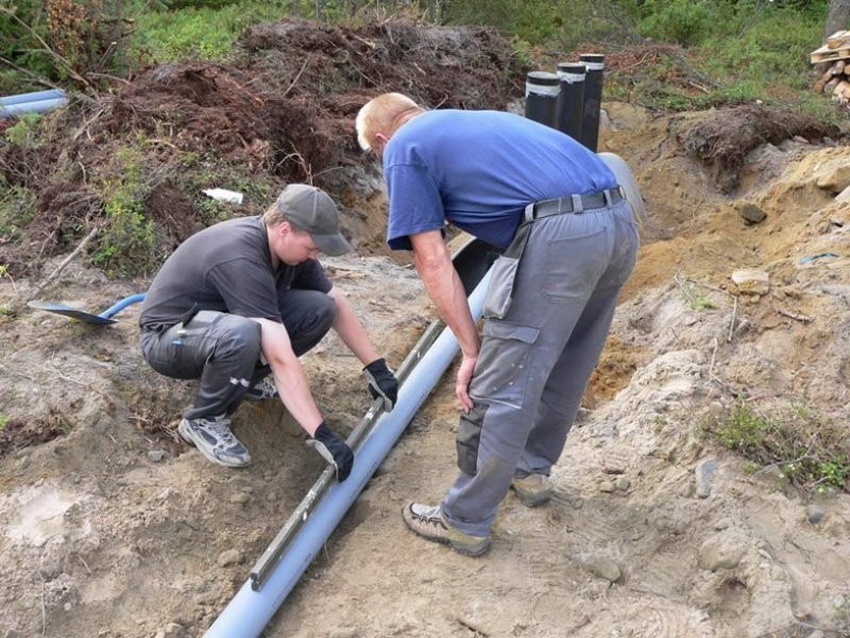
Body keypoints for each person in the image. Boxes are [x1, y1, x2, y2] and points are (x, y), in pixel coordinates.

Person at [355, 93, 640, 555]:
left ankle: (464, 519)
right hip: (618, 223)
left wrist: (471, 350)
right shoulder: (469, 125)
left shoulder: (403, 148)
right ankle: (530, 469)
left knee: (502, 381)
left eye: (376, 154)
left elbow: (432, 260)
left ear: (383, 138)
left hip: (560, 238)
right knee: (567, 361)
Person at [139, 183, 399, 478]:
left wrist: (375, 366)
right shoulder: (241, 256)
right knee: (242, 334)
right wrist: (320, 432)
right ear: (286, 229)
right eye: (312, 247)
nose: (314, 256)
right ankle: (203, 419)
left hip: (215, 326)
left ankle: (243, 381)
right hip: (169, 338)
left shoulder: (289, 251)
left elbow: (334, 301)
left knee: (318, 309)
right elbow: (279, 356)